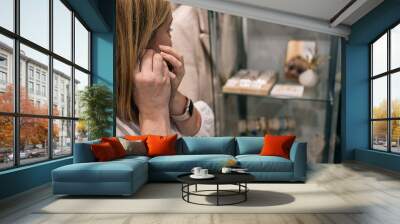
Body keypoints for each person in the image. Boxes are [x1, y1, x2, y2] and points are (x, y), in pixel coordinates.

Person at [115, 0, 214, 137]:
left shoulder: (141, 101)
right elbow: (163, 158)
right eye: (168, 30)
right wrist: (153, 114)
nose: (171, 42)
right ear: (144, 39)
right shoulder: (115, 129)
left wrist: (173, 97)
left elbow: (203, 132)